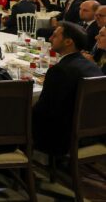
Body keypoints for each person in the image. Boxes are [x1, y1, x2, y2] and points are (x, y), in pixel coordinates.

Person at [32, 22, 103, 155]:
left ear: (68, 42)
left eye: (55, 36)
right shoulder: (92, 66)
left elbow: (44, 109)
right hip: (93, 134)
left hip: (63, 139)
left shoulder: (60, 70)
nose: (50, 38)